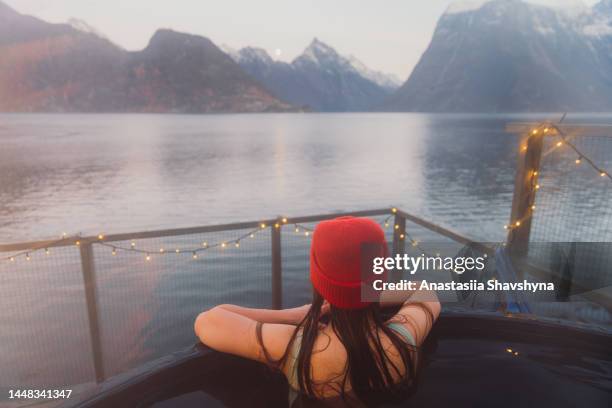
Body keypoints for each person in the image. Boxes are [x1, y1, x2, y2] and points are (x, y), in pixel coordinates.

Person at [194, 216, 440, 406]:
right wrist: (363, 292)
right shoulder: (403, 338)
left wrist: (293, 315)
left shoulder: (295, 348)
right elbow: (424, 291)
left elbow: (208, 321)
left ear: (317, 281)